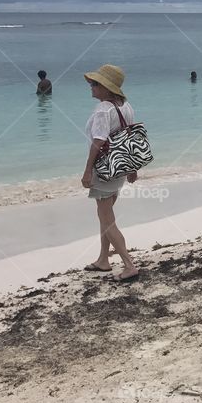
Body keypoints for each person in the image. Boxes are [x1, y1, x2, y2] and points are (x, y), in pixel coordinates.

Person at [80, 64, 139, 283]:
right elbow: (131, 137)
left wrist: (87, 171)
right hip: (120, 166)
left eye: (94, 84)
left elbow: (98, 142)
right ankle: (104, 259)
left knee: (107, 218)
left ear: (106, 87)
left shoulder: (103, 109)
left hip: (104, 168)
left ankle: (129, 264)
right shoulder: (126, 106)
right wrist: (133, 167)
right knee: (105, 215)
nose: (91, 87)